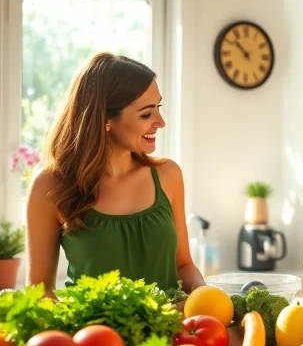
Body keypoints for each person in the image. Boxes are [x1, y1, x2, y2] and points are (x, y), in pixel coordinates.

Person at [26, 53, 205, 305]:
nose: (160, 122)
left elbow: (183, 265)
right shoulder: (49, 186)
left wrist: (202, 291)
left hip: (169, 329)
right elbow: (39, 290)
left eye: (158, 108)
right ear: (105, 119)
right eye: (146, 114)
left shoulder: (168, 175)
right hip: (93, 330)